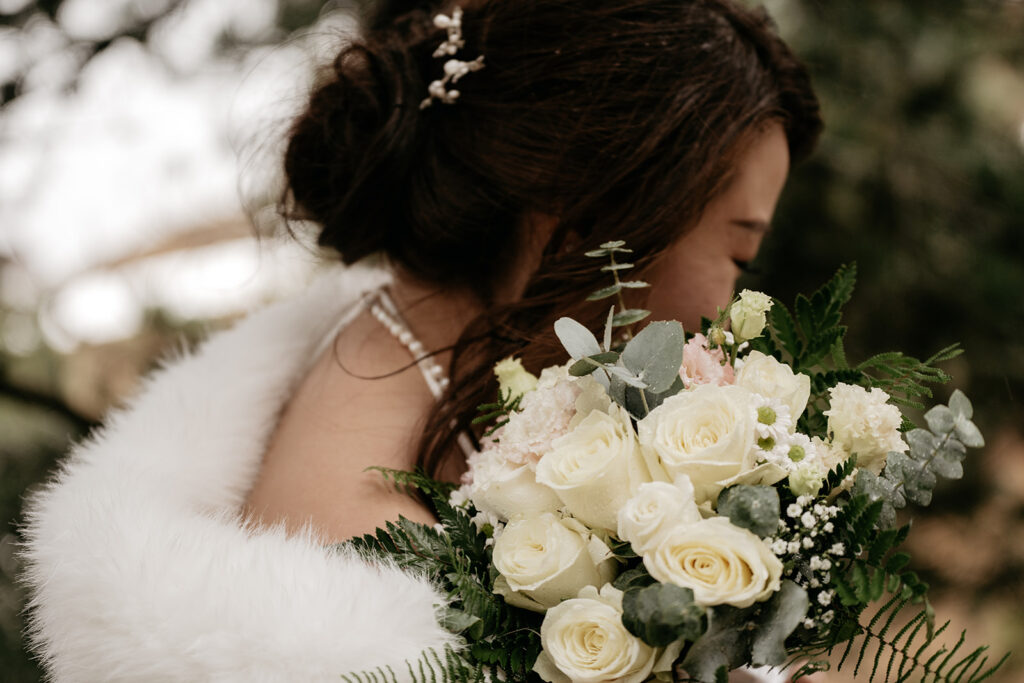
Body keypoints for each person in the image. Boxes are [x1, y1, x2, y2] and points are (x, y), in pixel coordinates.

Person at [20, 0, 822, 680]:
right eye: (738, 250)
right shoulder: (358, 593)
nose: (732, 300)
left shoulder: (437, 391)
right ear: (598, 214)